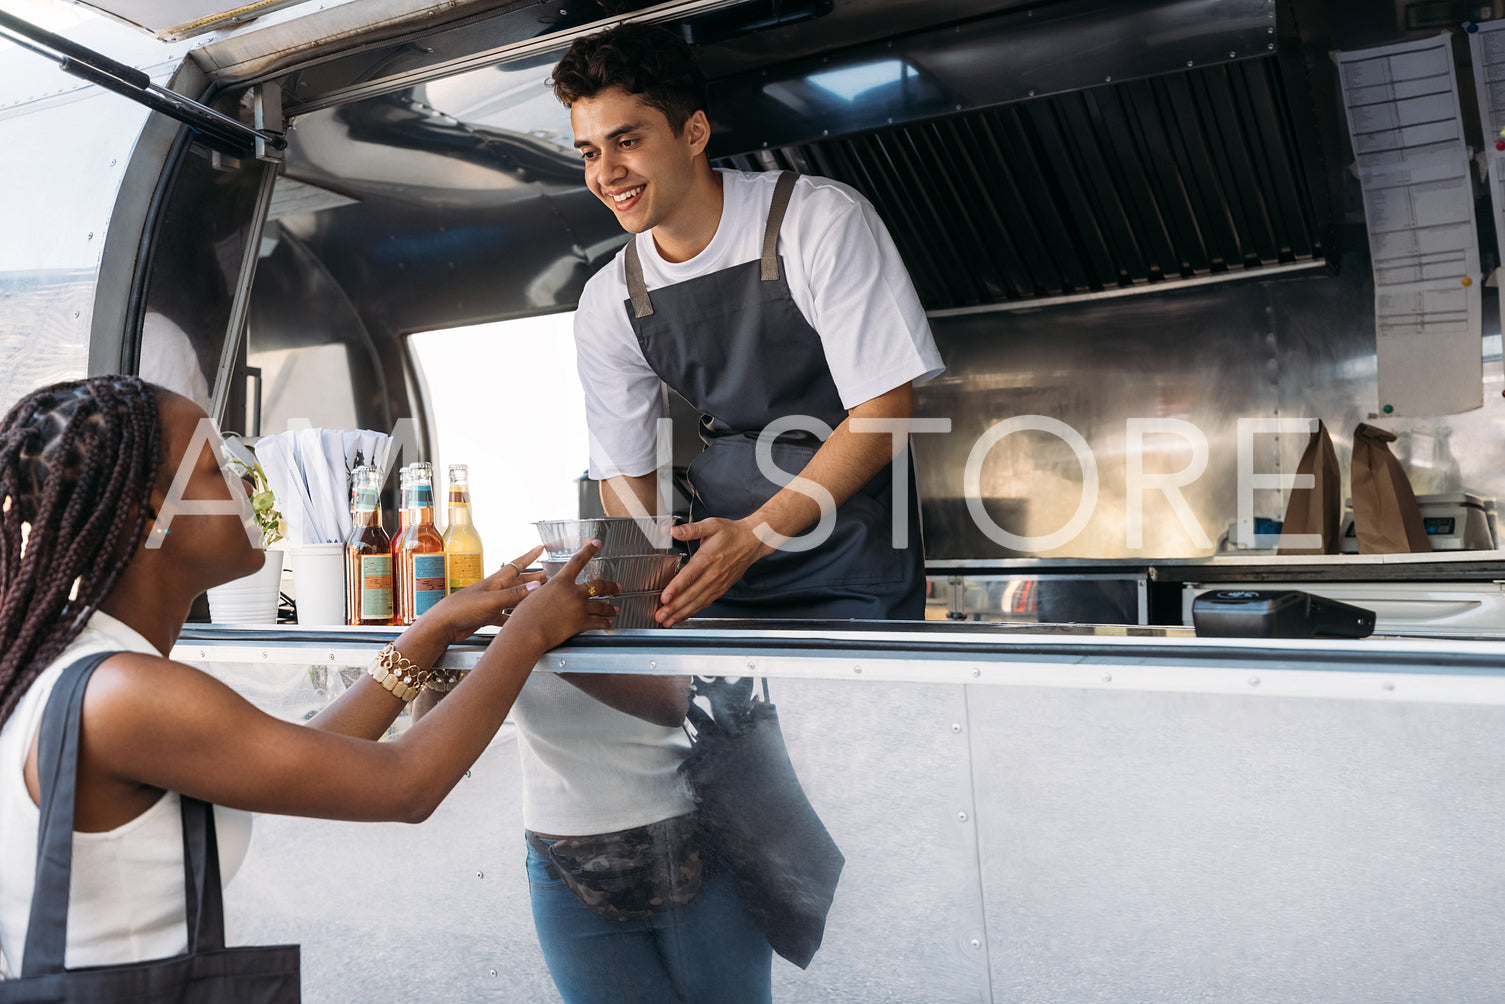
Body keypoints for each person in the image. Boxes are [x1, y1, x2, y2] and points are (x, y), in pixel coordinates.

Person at [501, 22, 944, 1003]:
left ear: (693, 131)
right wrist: (627, 599)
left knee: (867, 821)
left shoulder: (814, 220)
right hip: (723, 577)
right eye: (586, 150)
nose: (606, 171)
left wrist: (757, 532)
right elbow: (626, 480)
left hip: (848, 565)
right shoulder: (610, 298)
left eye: (627, 139)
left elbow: (886, 408)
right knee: (743, 814)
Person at [0, 375, 615, 979]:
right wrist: (528, 632)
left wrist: (429, 632)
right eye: (219, 467)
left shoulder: (77, 668)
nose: (250, 480)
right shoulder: (126, 695)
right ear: (156, 511)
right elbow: (406, 785)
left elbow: (309, 751)